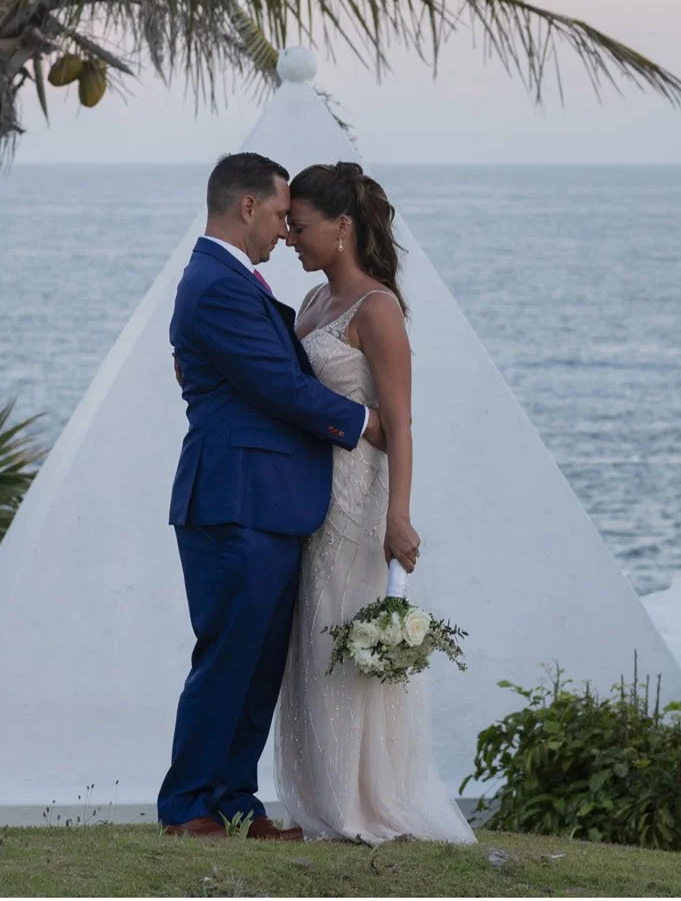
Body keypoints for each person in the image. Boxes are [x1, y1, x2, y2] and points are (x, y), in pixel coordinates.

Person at [158, 152, 387, 840]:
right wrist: (363, 422)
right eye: (282, 213)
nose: (286, 230)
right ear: (248, 206)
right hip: (235, 499)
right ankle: (189, 804)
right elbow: (276, 385)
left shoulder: (232, 282)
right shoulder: (216, 282)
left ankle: (235, 802)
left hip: (269, 499)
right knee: (229, 654)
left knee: (259, 662)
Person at [270, 161, 476, 845]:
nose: (291, 238)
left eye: (300, 227)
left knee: (346, 634)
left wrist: (400, 515)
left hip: (360, 498)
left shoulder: (377, 308)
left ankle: (364, 803)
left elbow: (401, 421)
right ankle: (321, 801)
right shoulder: (309, 307)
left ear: (343, 227)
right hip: (309, 494)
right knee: (310, 639)